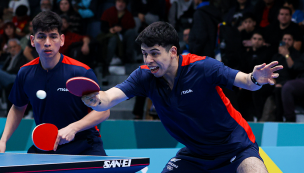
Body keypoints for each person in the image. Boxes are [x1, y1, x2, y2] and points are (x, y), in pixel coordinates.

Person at [82, 21, 283, 173]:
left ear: (173, 51)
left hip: (235, 148)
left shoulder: (203, 67)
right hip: (195, 154)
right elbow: (108, 98)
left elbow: (246, 81)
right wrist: (95, 100)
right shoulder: (144, 77)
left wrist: (256, 78)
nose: (148, 60)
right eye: (144, 54)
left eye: (154, 53)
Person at [0, 11, 110, 155]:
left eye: (53, 36)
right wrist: (3, 140)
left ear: (62, 40)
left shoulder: (80, 72)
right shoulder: (25, 73)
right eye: (41, 37)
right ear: (32, 41)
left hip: (84, 146)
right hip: (47, 146)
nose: (47, 43)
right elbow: (18, 107)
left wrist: (73, 128)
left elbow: (104, 111)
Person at [271, 33, 301, 121]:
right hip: (275, 80)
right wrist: (271, 78)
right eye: (284, 39)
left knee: (278, 90)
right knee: (258, 89)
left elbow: (294, 70)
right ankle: (259, 117)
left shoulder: (296, 55)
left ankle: (279, 119)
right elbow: (270, 69)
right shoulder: (276, 55)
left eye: (289, 39)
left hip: (288, 82)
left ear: (293, 42)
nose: (286, 42)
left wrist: (287, 55)